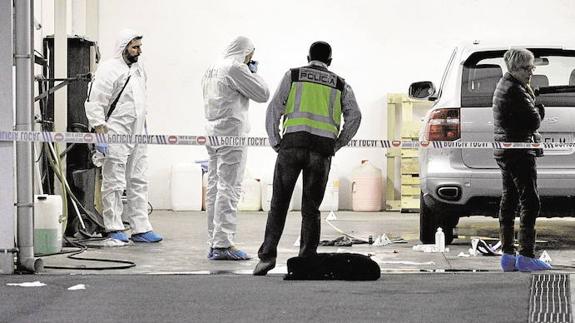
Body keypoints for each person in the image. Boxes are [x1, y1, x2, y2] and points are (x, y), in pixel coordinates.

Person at [254, 41, 362, 275]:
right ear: (330, 61)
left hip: (291, 146)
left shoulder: (293, 75)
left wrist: (275, 141)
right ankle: (306, 260)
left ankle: (267, 258)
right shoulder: (340, 83)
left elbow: (274, 109)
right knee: (311, 208)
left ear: (307, 57)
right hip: (321, 150)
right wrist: (338, 143)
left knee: (278, 204)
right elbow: (355, 116)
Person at [85, 29, 162, 244]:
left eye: (139, 47)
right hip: (115, 132)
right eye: (134, 47)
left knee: (138, 179)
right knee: (114, 181)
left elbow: (141, 101)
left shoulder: (139, 70)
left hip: (137, 132)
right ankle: (113, 226)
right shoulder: (109, 70)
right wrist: (99, 131)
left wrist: (144, 127)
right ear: (124, 47)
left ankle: (141, 227)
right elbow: (95, 101)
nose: (138, 51)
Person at [202, 36, 270, 260]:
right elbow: (263, 94)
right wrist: (253, 72)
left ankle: (215, 240)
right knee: (229, 188)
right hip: (232, 134)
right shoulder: (235, 67)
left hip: (212, 132)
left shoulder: (213, 67)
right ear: (245, 51)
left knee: (214, 187)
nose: (251, 58)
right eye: (251, 54)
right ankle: (223, 244)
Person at [493, 48, 551, 272]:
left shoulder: (505, 85)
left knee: (509, 200)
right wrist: (539, 107)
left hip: (506, 150)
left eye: (532, 67)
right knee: (530, 201)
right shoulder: (515, 90)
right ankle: (526, 256)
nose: (531, 72)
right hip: (518, 150)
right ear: (514, 68)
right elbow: (534, 120)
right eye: (527, 68)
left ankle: (508, 255)